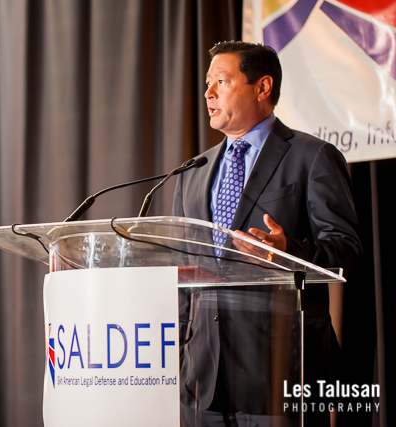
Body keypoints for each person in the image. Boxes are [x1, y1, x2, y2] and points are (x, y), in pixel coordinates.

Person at [172, 41, 362, 426]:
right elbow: (182, 272)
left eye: (221, 81)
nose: (208, 93)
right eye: (208, 83)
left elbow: (346, 250)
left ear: (262, 87)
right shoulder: (192, 172)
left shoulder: (312, 157)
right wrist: (179, 353)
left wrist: (287, 250)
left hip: (279, 371)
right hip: (202, 379)